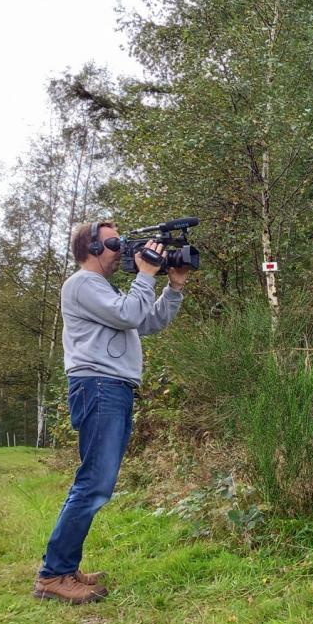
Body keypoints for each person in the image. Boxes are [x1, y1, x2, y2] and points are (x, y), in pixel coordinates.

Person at [33, 221, 190, 604]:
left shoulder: (102, 289)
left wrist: (174, 286)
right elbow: (128, 315)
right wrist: (147, 274)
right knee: (93, 484)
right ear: (91, 248)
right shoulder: (82, 284)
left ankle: (64, 568)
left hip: (111, 388)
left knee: (95, 483)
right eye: (113, 243)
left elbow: (146, 320)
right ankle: (53, 575)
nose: (121, 250)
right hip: (99, 387)